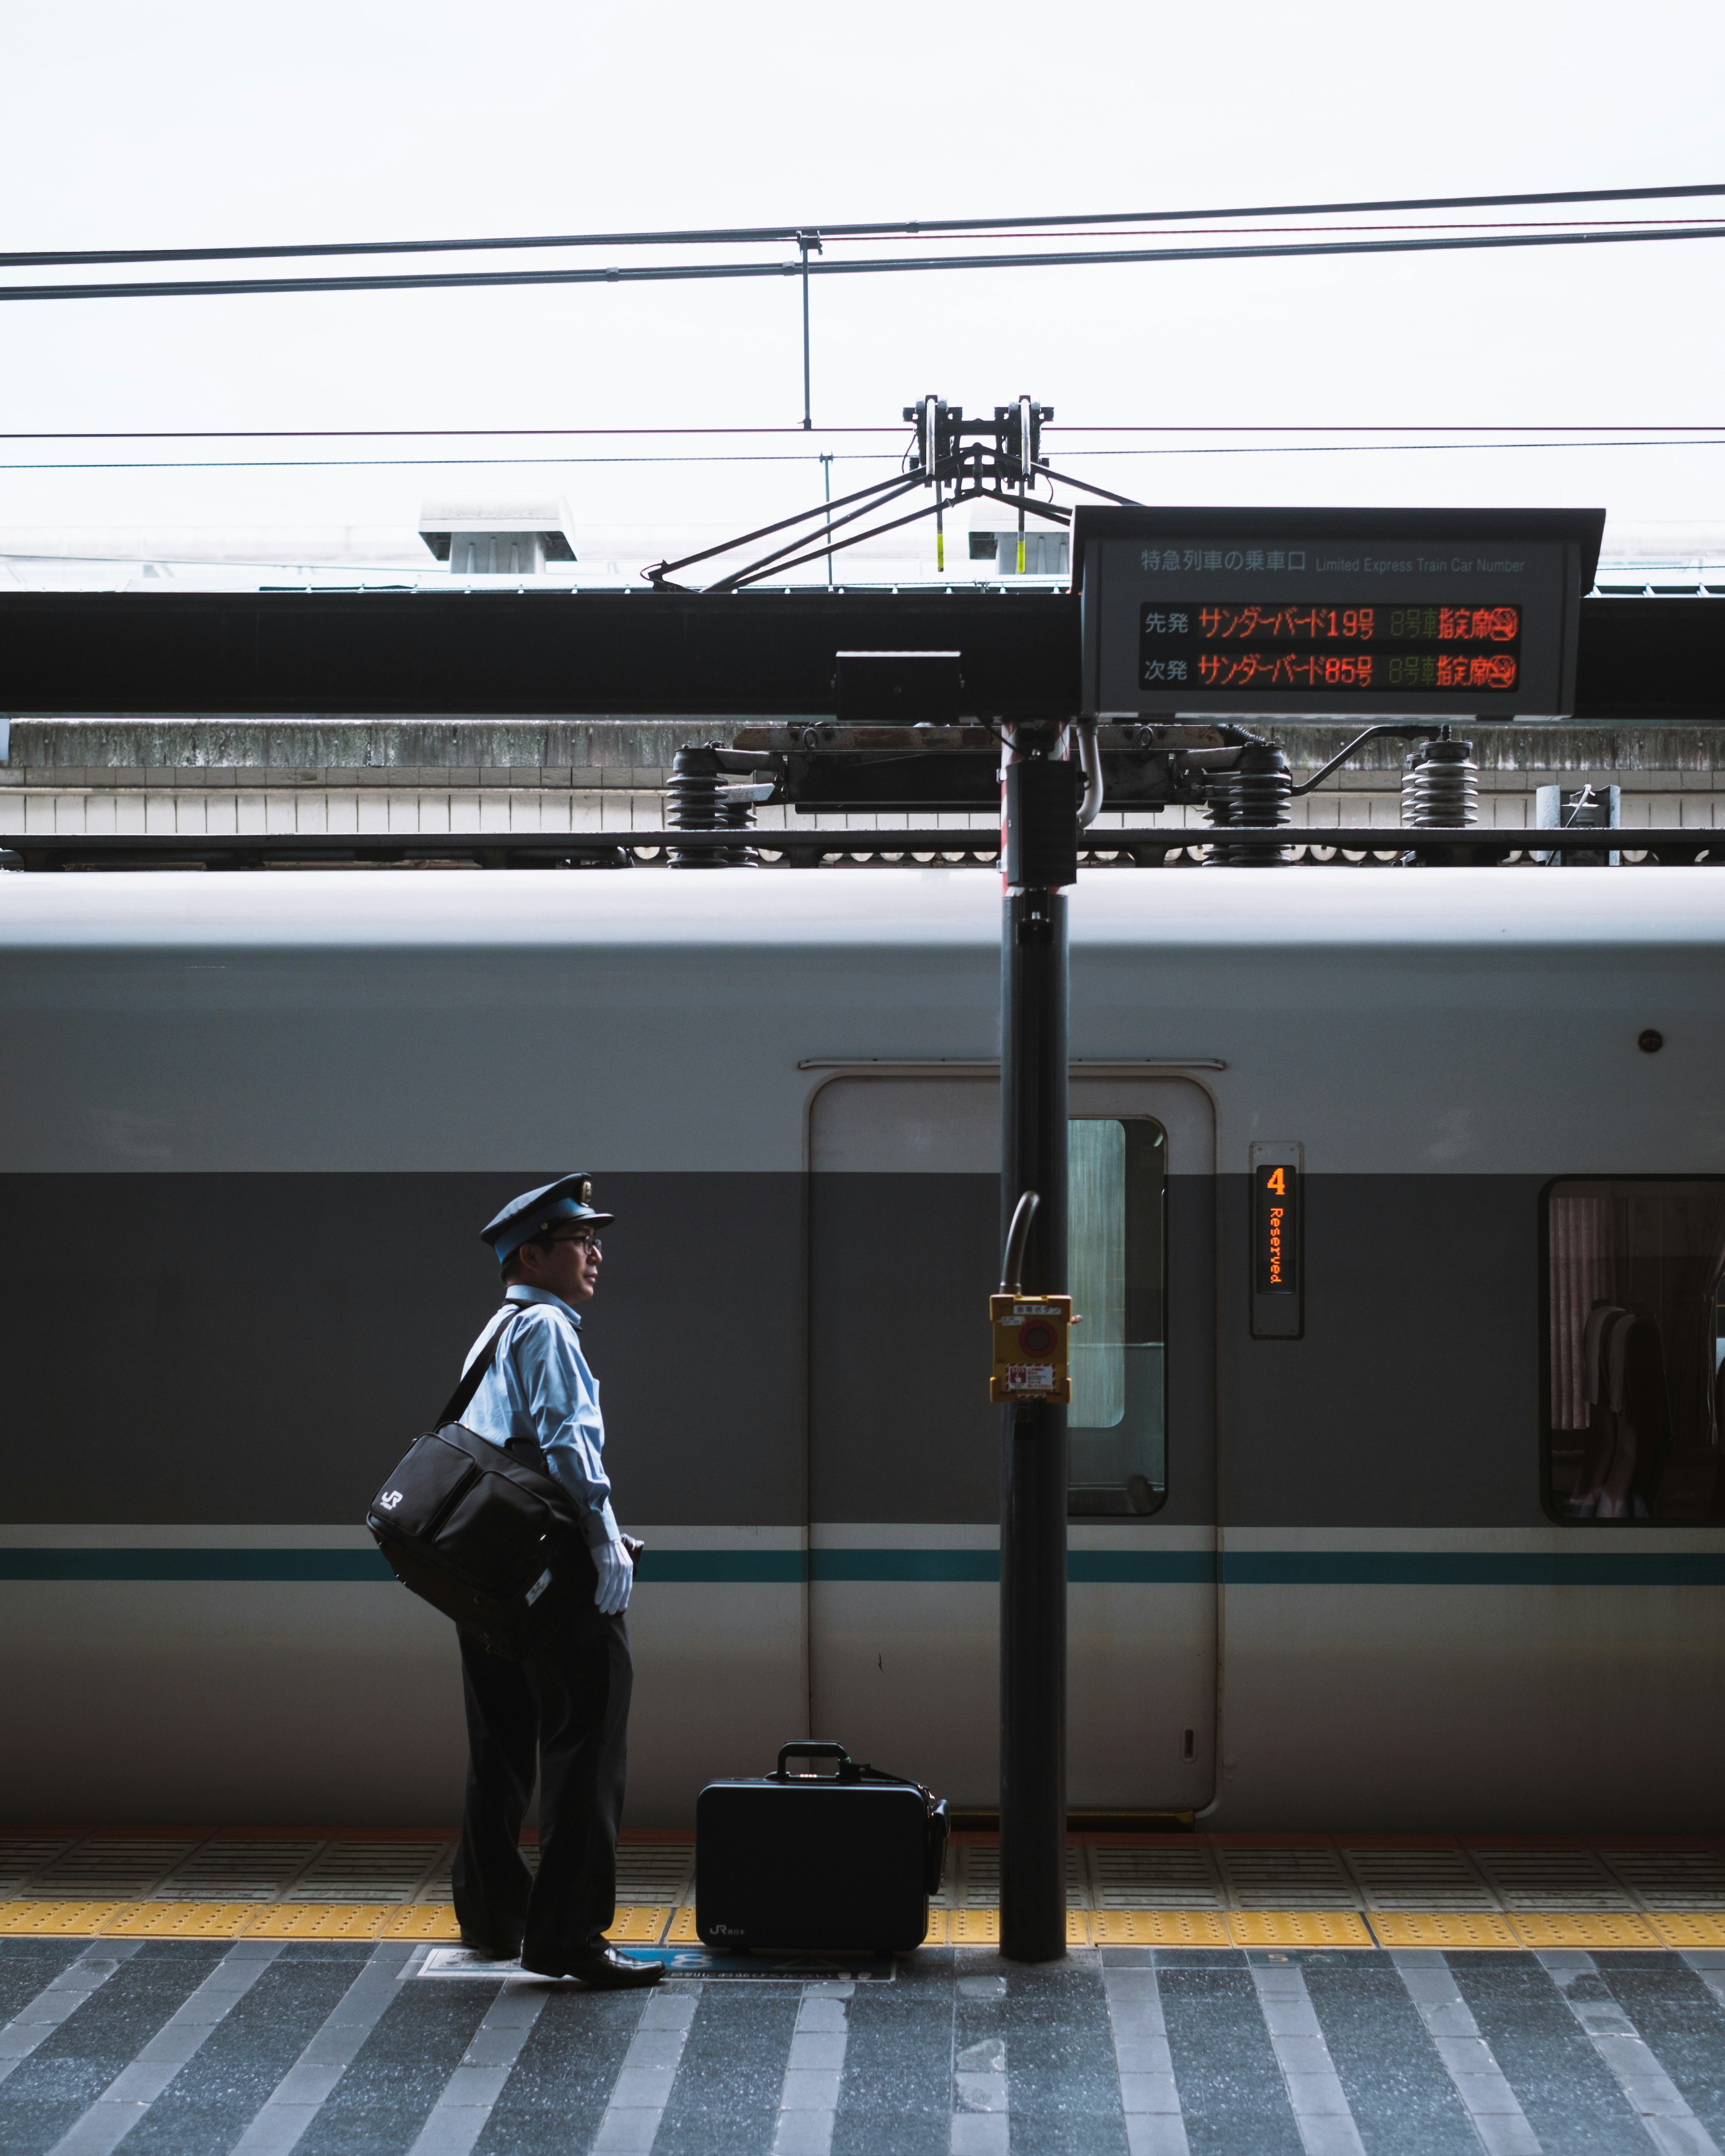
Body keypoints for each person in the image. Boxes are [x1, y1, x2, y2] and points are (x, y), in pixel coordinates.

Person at [448, 1174, 662, 1988]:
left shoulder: (492, 1334)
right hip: (547, 1572)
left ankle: (494, 1916)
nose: (595, 1254)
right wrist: (606, 1542)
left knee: (500, 1743)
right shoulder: (546, 1329)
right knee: (587, 1736)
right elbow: (571, 1445)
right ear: (531, 1255)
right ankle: (568, 1936)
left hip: (484, 1570)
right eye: (580, 1241)